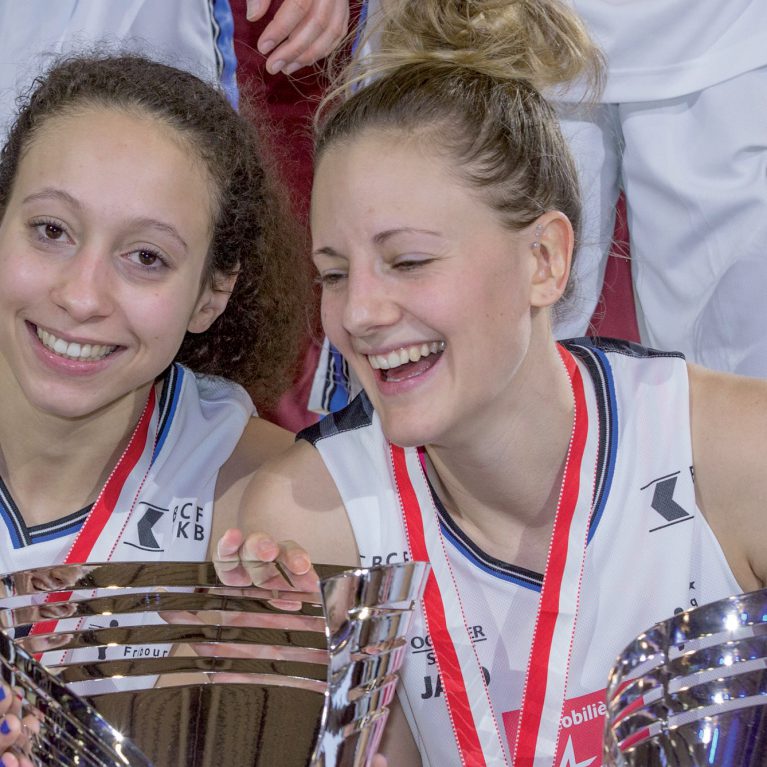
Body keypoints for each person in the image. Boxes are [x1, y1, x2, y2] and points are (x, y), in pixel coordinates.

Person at [218, 1, 767, 765]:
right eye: (333, 274)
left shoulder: (737, 454)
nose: (362, 313)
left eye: (408, 260)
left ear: (545, 259)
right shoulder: (309, 522)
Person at [0, 50, 309, 757]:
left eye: (146, 257)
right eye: (50, 230)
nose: (80, 296)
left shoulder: (268, 500)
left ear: (211, 292)